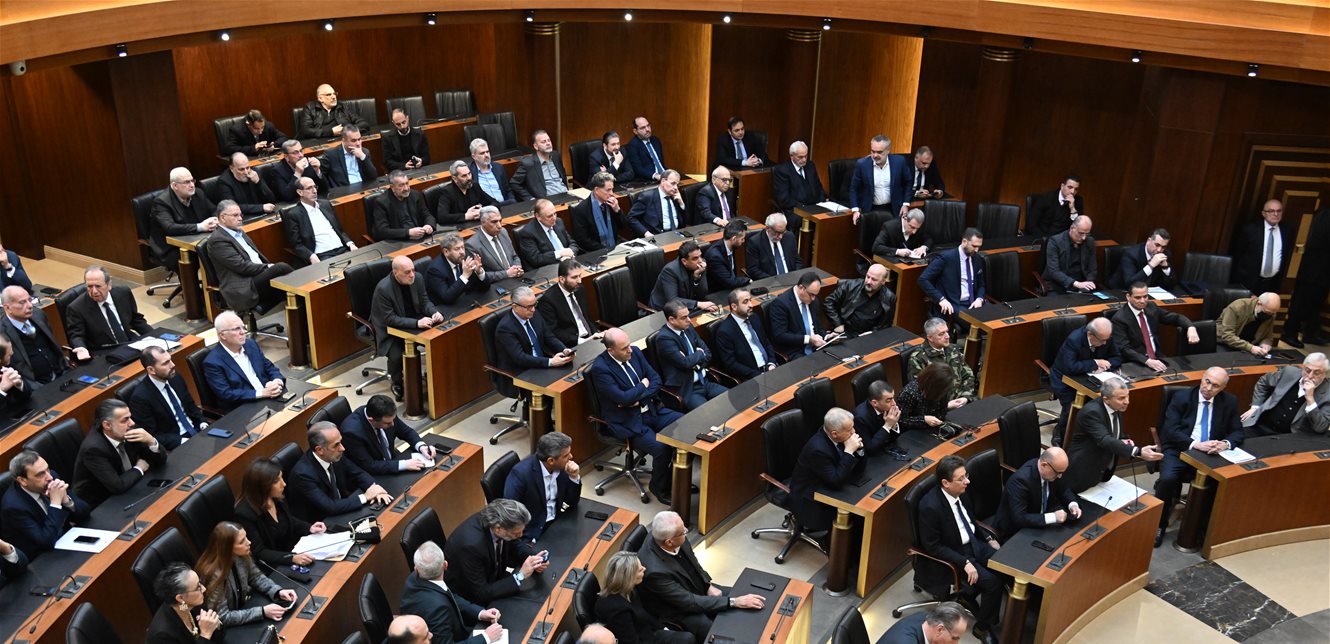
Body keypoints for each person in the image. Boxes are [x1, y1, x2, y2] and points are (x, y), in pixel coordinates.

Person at [589, 328, 684, 503]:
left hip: (652, 410)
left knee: (685, 426)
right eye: (624, 348)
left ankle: (676, 480)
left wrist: (638, 397)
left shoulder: (636, 352)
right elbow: (623, 398)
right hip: (627, 421)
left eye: (629, 345)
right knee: (662, 449)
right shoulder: (601, 369)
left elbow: (656, 379)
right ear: (611, 350)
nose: (630, 350)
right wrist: (643, 384)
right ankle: (658, 487)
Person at [638, 511, 765, 642]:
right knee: (719, 633)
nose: (686, 531)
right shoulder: (655, 572)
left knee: (744, 596)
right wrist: (734, 602)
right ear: (669, 542)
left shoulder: (671, 535)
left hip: (695, 587)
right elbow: (689, 602)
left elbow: (694, 563)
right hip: (678, 609)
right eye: (683, 532)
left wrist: (707, 584)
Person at [1153, 367, 1243, 546]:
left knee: (1222, 481)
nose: (1208, 388)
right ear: (1202, 378)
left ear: (1223, 388)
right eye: (1207, 381)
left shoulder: (1229, 401)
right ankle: (1158, 525)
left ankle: (1203, 526)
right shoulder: (1181, 397)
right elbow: (1170, 431)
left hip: (1211, 452)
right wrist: (1195, 444)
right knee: (1168, 479)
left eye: (1215, 386)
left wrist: (1225, 444)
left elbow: (1238, 432)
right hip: (1180, 448)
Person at [917, 455, 1002, 643]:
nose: (967, 481)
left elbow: (970, 520)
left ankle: (968, 595)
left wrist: (987, 538)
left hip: (975, 543)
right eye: (961, 478)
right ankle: (982, 627)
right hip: (956, 553)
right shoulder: (930, 507)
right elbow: (933, 546)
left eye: (966, 475)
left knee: (1004, 566)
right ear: (946, 483)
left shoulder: (961, 491)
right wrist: (964, 562)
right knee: (993, 583)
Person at [1063, 377, 1163, 493]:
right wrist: (1137, 451)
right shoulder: (1092, 412)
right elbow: (1104, 439)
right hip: (1083, 470)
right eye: (1121, 398)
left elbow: (1113, 431)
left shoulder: (1116, 407)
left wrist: (1124, 439)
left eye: (1127, 396)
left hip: (1103, 469)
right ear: (1106, 399)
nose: (1127, 401)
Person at [443, 499, 548, 603]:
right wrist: (520, 576)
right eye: (516, 533)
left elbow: (515, 544)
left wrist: (535, 559)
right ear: (498, 528)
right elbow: (481, 593)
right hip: (471, 596)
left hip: (494, 576)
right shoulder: (471, 546)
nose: (520, 536)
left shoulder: (500, 525)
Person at [232, 457, 328, 570]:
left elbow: (288, 520)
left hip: (294, 552)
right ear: (263, 486)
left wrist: (309, 527)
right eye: (277, 481)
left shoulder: (276, 497)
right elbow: (259, 552)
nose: (284, 484)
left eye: (282, 477)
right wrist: (291, 558)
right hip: (274, 567)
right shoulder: (244, 514)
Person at [400, 541, 504, 643]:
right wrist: (486, 638)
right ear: (445, 565)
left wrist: (480, 613)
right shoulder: (437, 608)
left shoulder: (414, 578)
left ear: (416, 569)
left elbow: (450, 597)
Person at [196, 521, 297, 626]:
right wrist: (262, 612)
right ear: (227, 548)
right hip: (228, 627)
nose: (249, 542)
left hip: (244, 609)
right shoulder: (213, 574)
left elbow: (256, 577)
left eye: (246, 537)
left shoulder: (241, 555)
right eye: (242, 541)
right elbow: (222, 617)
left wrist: (277, 591)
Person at [287, 421, 392, 522]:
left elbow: (358, 473)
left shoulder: (333, 454)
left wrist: (374, 489)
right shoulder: (303, 475)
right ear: (320, 450)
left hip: (342, 509)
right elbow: (329, 506)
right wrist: (365, 497)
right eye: (336, 445)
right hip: (321, 523)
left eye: (340, 442)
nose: (342, 448)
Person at [71, 398, 166, 507]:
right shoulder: (93, 449)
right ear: (107, 425)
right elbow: (117, 486)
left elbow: (160, 460)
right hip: (101, 502)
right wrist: (139, 468)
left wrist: (151, 441)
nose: (132, 423)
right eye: (125, 420)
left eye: (130, 417)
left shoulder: (128, 430)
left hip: (129, 486)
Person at [373, 256, 444, 400]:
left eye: (413, 270)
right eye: (407, 272)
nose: (412, 274)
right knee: (397, 356)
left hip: (414, 320)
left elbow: (424, 301)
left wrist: (434, 312)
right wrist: (416, 323)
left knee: (438, 338)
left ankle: (437, 378)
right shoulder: (383, 289)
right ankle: (397, 382)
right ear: (396, 273)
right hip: (390, 330)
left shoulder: (417, 278)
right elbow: (390, 319)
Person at [206, 200, 293, 314]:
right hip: (243, 285)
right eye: (235, 215)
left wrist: (267, 267)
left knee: (288, 285)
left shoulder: (238, 231)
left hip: (255, 276)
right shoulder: (217, 240)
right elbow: (241, 266)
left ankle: (300, 312)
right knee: (281, 269)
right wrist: (268, 267)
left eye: (240, 215)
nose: (240, 218)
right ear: (223, 217)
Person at [789, 408, 864, 534]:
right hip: (810, 499)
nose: (853, 432)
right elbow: (836, 481)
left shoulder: (841, 437)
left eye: (853, 427)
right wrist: (849, 452)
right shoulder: (818, 449)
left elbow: (860, 468)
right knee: (858, 517)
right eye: (849, 430)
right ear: (834, 434)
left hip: (827, 484)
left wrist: (858, 449)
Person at [2, 449, 91, 556]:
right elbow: (46, 541)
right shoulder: (13, 507)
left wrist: (66, 500)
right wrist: (55, 503)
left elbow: (85, 512)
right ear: (22, 480)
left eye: (47, 469)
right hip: (42, 557)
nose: (49, 477)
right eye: (40, 474)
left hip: (67, 540)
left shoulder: (51, 478)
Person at [1048, 318, 1120, 446]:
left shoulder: (1105, 337)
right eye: (1102, 340)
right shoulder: (1074, 340)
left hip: (1093, 379)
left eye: (1107, 339)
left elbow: (1117, 358)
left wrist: (1106, 365)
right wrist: (1095, 363)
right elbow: (1070, 367)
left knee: (1107, 401)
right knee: (1071, 408)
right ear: (1090, 334)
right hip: (1064, 380)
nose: (1105, 343)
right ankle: (1061, 434)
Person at [597, 550, 693, 644]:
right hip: (644, 639)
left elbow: (644, 614)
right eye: (640, 570)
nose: (644, 568)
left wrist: (664, 628)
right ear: (629, 578)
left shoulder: (629, 589)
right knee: (687, 639)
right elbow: (631, 641)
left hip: (648, 630)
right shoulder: (617, 610)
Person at [495, 286, 573, 398]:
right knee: (557, 390)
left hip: (539, 363)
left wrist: (564, 349)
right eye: (528, 307)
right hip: (520, 372)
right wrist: (550, 362)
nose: (533, 310)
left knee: (569, 380)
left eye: (534, 305)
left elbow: (549, 337)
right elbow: (520, 358)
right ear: (515, 307)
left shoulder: (534, 314)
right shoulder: (505, 328)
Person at [503, 431, 581, 541]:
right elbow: (510, 514)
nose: (571, 457)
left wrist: (574, 477)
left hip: (557, 522)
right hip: (533, 532)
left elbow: (572, 502)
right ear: (551, 461)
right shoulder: (521, 474)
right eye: (566, 456)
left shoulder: (562, 468)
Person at [201, 310, 286, 411]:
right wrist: (261, 393)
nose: (243, 332)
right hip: (245, 407)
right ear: (222, 335)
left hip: (270, 397)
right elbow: (226, 393)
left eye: (243, 327)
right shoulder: (212, 362)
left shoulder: (251, 344)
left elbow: (269, 367)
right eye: (237, 329)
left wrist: (277, 382)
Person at [64, 265, 152, 356]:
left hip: (130, 343)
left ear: (109, 285)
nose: (94, 291)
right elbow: (76, 335)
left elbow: (136, 319)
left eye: (98, 286)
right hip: (104, 351)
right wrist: (81, 348)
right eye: (90, 286)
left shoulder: (123, 293)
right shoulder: (76, 308)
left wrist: (155, 335)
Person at [1110, 281, 1199, 372]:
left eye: (1145, 296)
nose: (1143, 301)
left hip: (1158, 357)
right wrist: (1147, 361)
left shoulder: (1151, 307)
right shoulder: (1120, 319)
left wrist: (1190, 327)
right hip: (1136, 362)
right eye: (1138, 297)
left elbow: (1176, 317)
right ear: (1128, 297)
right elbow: (1124, 349)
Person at [656, 299, 728, 410]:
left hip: (705, 382)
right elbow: (685, 363)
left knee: (731, 399)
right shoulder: (664, 338)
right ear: (671, 320)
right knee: (709, 413)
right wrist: (699, 352)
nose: (689, 320)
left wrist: (694, 360)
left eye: (688, 315)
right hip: (688, 389)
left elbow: (708, 353)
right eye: (684, 317)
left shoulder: (688, 327)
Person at [993, 448, 1081, 539]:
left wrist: (1073, 505)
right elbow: (1019, 519)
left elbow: (1063, 489)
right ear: (1044, 465)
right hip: (1016, 531)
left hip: (1040, 520)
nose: (1060, 476)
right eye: (1058, 473)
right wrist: (1053, 517)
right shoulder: (1020, 481)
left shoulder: (1053, 470)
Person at [340, 394, 437, 476]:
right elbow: (369, 466)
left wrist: (421, 446)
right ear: (371, 420)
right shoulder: (352, 432)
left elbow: (406, 432)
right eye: (387, 423)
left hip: (391, 459)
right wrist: (404, 465)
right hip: (374, 475)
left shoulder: (386, 413)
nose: (392, 424)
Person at [131, 346, 206, 449]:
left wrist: (202, 423)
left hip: (197, 430)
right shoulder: (140, 398)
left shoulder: (176, 378)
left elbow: (191, 406)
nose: (172, 365)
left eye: (170, 360)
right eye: (166, 363)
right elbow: (151, 435)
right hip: (176, 442)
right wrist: (182, 441)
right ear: (151, 370)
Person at [1240, 352, 1330, 436]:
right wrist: (1256, 406)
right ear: (1303, 367)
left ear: (1325, 374)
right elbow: (1263, 382)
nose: (1310, 376)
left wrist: (1310, 399)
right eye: (1307, 370)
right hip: (1260, 425)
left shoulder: (1328, 394)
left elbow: (1321, 427)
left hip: (1289, 437)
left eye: (1317, 373)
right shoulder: (1289, 372)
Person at [149, 167, 219, 269]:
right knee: (201, 258)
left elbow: (214, 209)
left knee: (220, 249)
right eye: (186, 182)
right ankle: (190, 280)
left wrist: (215, 219)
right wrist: (200, 227)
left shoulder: (198, 193)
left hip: (195, 239)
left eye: (192, 180)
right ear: (175, 185)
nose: (192, 185)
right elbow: (170, 228)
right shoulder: (161, 202)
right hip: (170, 247)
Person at [1283, 205, 1330, 348]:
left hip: (1323, 269)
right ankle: (1289, 332)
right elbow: (1319, 238)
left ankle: (1310, 333)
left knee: (1316, 302)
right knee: (1301, 301)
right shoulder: (1325, 215)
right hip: (1313, 267)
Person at [282, 176, 356, 266]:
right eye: (309, 188)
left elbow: (339, 230)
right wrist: (311, 256)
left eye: (315, 187)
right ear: (300, 192)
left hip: (342, 249)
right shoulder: (294, 215)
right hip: (322, 255)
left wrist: (350, 244)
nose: (314, 191)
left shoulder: (326, 204)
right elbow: (296, 245)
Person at [1, 285, 67, 384]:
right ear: (7, 308)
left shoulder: (38, 314)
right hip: (35, 385)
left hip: (62, 372)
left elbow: (54, 346)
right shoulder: (2, 334)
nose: (30, 305)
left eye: (29, 300)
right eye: (22, 302)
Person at [918, 228, 985, 324]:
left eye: (979, 247)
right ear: (964, 242)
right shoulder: (946, 258)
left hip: (975, 302)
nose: (977, 250)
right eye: (974, 246)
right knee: (979, 324)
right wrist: (941, 299)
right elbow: (923, 279)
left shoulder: (977, 259)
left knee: (996, 319)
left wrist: (979, 299)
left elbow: (981, 284)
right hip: (955, 303)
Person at [146, 563, 223, 643]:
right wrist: (206, 634)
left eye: (200, 583)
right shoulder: (163, 636)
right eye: (198, 587)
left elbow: (219, 638)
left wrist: (216, 626)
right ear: (180, 598)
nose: (204, 589)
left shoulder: (189, 605)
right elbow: (207, 634)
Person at [712, 288, 778, 381]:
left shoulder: (754, 318)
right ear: (734, 307)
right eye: (745, 302)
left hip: (770, 369)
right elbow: (731, 364)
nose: (751, 305)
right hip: (751, 377)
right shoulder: (725, 331)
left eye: (750, 300)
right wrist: (758, 374)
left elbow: (766, 342)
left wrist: (772, 363)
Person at [1231, 199, 1295, 296]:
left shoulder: (1287, 230)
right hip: (1248, 282)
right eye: (1271, 211)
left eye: (1279, 211)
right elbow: (1238, 254)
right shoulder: (1250, 230)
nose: (1275, 214)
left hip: (1272, 283)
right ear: (1263, 213)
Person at [905, 318, 977, 403]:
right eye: (941, 334)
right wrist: (945, 406)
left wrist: (966, 396)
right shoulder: (918, 358)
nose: (947, 336)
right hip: (937, 407)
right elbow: (919, 392)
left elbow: (968, 375)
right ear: (930, 338)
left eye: (947, 332)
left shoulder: (953, 349)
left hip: (962, 399)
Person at [767, 272, 831, 358]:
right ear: (801, 288)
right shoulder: (781, 304)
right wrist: (809, 339)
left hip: (816, 347)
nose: (813, 298)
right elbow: (780, 335)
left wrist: (827, 336)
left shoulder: (814, 301)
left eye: (815, 295)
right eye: (811, 294)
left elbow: (817, 327)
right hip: (795, 350)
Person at [538, 259, 599, 347]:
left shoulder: (580, 289)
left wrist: (595, 333)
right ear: (562, 279)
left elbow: (587, 318)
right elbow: (554, 332)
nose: (579, 281)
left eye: (580, 276)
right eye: (574, 277)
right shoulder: (548, 300)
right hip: (572, 345)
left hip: (591, 338)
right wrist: (581, 341)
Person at [823, 263, 896, 336]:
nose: (869, 282)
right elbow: (828, 302)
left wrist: (873, 333)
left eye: (874, 279)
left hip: (869, 336)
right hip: (846, 331)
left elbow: (886, 325)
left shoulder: (889, 297)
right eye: (868, 277)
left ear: (883, 281)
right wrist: (838, 324)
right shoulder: (849, 286)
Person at [849, 135, 910, 221]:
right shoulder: (862, 164)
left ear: (888, 150)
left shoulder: (899, 162)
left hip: (894, 209)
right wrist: (855, 210)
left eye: (879, 152)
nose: (875, 155)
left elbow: (908, 182)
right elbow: (854, 188)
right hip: (870, 210)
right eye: (873, 151)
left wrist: (906, 204)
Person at [648, 240, 717, 313]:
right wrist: (698, 304)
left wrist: (697, 277)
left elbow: (703, 293)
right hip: (664, 310)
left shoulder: (701, 265)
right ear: (684, 261)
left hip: (687, 306)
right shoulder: (670, 271)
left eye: (700, 256)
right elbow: (673, 300)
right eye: (695, 258)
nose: (700, 261)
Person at [898, 363, 966, 435]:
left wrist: (947, 407)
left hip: (934, 428)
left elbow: (942, 411)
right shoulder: (909, 393)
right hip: (912, 432)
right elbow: (901, 420)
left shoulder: (943, 389)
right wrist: (924, 419)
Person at [425, 233, 488, 306]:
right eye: (457, 249)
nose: (462, 252)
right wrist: (465, 276)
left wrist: (479, 272)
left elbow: (485, 288)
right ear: (446, 252)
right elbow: (447, 298)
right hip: (446, 308)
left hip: (467, 302)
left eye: (462, 247)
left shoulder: (466, 257)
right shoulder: (435, 270)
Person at [372, 170, 437, 242]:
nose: (406, 188)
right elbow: (382, 231)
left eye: (407, 183)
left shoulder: (415, 195)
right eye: (401, 185)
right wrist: (408, 232)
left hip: (419, 236)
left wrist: (429, 225)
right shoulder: (381, 202)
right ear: (392, 187)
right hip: (398, 241)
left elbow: (427, 215)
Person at [771, 141, 826, 222]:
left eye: (806, 156)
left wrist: (822, 203)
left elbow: (819, 188)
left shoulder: (810, 166)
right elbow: (784, 199)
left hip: (814, 207)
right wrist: (804, 207)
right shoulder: (782, 171)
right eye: (800, 157)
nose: (804, 160)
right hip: (795, 210)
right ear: (792, 156)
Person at [466, 206, 524, 282]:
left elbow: (514, 256)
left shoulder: (503, 232)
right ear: (483, 222)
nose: (499, 226)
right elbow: (479, 275)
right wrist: (506, 274)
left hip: (516, 278)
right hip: (496, 284)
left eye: (500, 221)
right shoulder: (472, 245)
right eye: (494, 222)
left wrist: (517, 268)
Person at [516, 198, 577, 269]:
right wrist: (560, 253)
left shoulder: (558, 222)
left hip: (569, 263)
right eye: (549, 216)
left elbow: (572, 243)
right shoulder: (528, 233)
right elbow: (536, 259)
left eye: (555, 213)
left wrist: (570, 253)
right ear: (538, 216)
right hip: (549, 269)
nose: (554, 218)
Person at [1042, 215, 1098, 294]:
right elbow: (1054, 271)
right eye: (1081, 233)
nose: (1084, 238)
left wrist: (1088, 282)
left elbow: (1092, 268)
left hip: (1081, 285)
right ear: (1072, 228)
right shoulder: (1055, 242)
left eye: (1087, 234)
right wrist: (1076, 284)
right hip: (1057, 285)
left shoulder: (1090, 242)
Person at [570, 171, 622, 252]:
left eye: (612, 189)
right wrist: (605, 250)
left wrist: (617, 210)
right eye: (608, 190)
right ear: (597, 190)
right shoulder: (581, 209)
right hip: (596, 252)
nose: (612, 193)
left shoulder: (611, 203)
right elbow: (583, 240)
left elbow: (623, 226)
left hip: (615, 247)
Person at [261, 139, 327, 202]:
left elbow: (325, 189)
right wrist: (297, 174)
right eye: (295, 153)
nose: (301, 155)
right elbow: (287, 196)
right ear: (286, 156)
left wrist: (317, 171)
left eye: (301, 151)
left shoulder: (308, 163)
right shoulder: (277, 170)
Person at [511, 130, 568, 201]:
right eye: (543, 142)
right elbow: (514, 183)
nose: (548, 143)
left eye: (549, 140)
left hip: (566, 195)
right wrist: (530, 199)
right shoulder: (528, 163)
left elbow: (563, 176)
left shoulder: (556, 156)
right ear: (536, 146)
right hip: (548, 200)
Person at [877, 602, 973, 644]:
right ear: (940, 629)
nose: (956, 643)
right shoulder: (905, 641)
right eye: (954, 638)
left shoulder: (927, 618)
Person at [296, 83, 369, 139]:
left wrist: (346, 130)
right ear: (320, 98)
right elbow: (305, 130)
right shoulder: (310, 108)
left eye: (334, 94)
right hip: (319, 143)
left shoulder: (342, 106)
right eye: (329, 94)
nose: (334, 97)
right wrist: (331, 132)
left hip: (341, 141)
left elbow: (363, 123)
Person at [627, 170, 687, 237]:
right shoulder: (647, 197)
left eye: (677, 185)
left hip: (677, 234)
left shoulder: (676, 197)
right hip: (657, 236)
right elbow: (631, 218)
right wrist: (646, 233)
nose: (676, 188)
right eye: (673, 183)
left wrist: (681, 204)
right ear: (663, 181)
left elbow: (684, 222)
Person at [215, 152, 277, 217]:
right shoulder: (224, 182)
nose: (246, 172)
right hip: (241, 217)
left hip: (261, 214)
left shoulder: (254, 172)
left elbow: (271, 199)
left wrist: (259, 183)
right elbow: (231, 208)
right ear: (231, 168)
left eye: (247, 168)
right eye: (241, 169)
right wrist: (261, 208)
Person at [437, 160, 498, 224]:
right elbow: (442, 217)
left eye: (469, 174)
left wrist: (482, 211)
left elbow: (494, 203)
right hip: (459, 226)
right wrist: (466, 216)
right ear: (455, 178)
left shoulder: (474, 186)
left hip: (476, 224)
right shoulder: (447, 192)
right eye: (464, 176)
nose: (469, 178)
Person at [745, 213, 802, 279]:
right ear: (767, 228)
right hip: (770, 281)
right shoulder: (755, 242)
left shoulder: (789, 236)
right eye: (777, 233)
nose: (780, 236)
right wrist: (774, 280)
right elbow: (753, 269)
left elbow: (797, 260)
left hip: (791, 278)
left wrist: (795, 275)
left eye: (783, 232)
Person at [853, 380, 903, 454]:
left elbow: (893, 439)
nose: (894, 403)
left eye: (893, 398)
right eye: (888, 400)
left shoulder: (888, 407)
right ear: (875, 403)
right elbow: (870, 448)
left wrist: (894, 424)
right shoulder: (860, 418)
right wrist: (888, 425)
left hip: (888, 448)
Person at [704, 221, 750, 291]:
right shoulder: (715, 256)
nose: (743, 241)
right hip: (718, 291)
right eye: (742, 239)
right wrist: (748, 280)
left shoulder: (730, 246)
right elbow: (729, 282)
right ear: (734, 239)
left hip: (730, 286)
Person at [382, 108, 431, 172]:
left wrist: (421, 161)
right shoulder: (387, 138)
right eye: (398, 124)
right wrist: (404, 166)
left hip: (419, 169)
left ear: (407, 118)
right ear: (393, 123)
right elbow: (387, 162)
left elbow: (427, 157)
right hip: (400, 172)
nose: (402, 126)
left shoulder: (419, 134)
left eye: (404, 122)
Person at [469, 138, 515, 204]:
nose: (486, 155)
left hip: (505, 205)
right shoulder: (470, 173)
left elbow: (508, 190)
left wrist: (512, 201)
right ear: (474, 156)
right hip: (487, 208)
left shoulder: (498, 168)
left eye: (487, 152)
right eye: (482, 153)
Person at [0, 335, 33, 420]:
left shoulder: (5, 365)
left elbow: (27, 393)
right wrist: (2, 390)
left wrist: (19, 384)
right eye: (9, 355)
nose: (12, 353)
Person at [624, 116, 667, 181]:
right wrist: (655, 176)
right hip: (649, 179)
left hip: (664, 174)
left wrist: (668, 173)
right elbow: (638, 169)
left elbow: (660, 163)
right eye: (642, 128)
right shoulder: (632, 146)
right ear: (635, 131)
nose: (647, 129)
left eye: (648, 126)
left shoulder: (656, 140)